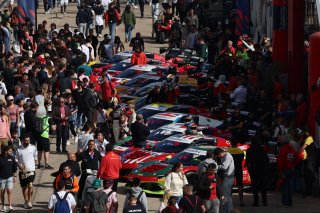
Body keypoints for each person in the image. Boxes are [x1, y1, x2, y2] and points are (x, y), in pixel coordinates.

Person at [245, 137, 269, 207]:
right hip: (262, 169)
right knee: (263, 186)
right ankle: (264, 202)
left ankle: (256, 202)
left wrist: (249, 169)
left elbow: (247, 162)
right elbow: (267, 160)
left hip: (253, 170)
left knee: (254, 187)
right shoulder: (262, 149)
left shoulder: (249, 150)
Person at [16, 134, 38, 209]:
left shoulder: (33, 147)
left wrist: (34, 165)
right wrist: (20, 166)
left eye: (28, 140)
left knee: (30, 185)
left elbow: (35, 157)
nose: (27, 142)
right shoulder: (19, 149)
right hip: (22, 171)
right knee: (24, 187)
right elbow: (16, 160)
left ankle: (29, 201)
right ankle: (25, 201)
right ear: (22, 141)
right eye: (26, 140)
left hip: (31, 170)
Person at [277, 135, 297, 207]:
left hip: (285, 170)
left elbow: (281, 161)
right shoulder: (292, 149)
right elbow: (295, 158)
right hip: (291, 169)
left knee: (285, 187)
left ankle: (285, 202)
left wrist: (280, 170)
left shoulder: (283, 149)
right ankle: (289, 202)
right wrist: (293, 166)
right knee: (290, 186)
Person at [214, 147, 234, 213]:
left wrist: (216, 166)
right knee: (225, 196)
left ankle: (230, 211)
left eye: (218, 156)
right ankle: (226, 210)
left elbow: (224, 167)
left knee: (227, 196)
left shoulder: (227, 157)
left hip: (228, 178)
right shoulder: (225, 156)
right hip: (226, 178)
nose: (219, 157)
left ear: (220, 154)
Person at [227, 139, 245, 206]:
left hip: (230, 170)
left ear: (231, 143)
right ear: (237, 143)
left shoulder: (228, 151)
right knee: (240, 185)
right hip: (238, 169)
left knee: (230, 185)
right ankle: (241, 201)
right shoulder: (240, 151)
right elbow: (242, 159)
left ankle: (229, 201)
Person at [0, 145, 17, 212]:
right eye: (10, 151)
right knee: (2, 192)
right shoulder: (0, 158)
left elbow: (14, 168)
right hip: (1, 178)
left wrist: (14, 176)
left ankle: (10, 206)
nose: (11, 152)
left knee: (9, 191)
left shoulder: (12, 158)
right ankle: (3, 206)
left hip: (10, 177)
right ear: (5, 151)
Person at [300, 126, 315, 197]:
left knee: (308, 176)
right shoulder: (307, 138)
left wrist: (299, 150)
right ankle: (307, 192)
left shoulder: (309, 138)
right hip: (307, 159)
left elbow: (303, 147)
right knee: (306, 176)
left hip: (309, 160)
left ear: (305, 132)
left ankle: (309, 192)